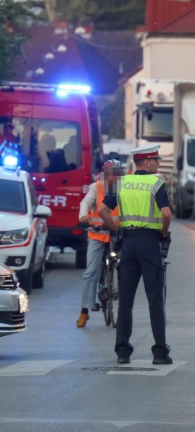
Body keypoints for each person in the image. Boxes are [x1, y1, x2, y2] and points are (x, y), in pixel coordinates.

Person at [97, 143, 172, 365]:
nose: (158, 163)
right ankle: (159, 353)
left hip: (127, 244)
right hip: (150, 244)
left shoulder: (122, 183)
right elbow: (166, 214)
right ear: (146, 162)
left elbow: (102, 211)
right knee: (155, 299)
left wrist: (116, 229)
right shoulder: (157, 183)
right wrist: (164, 234)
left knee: (126, 300)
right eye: (156, 160)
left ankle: (122, 351)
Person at [76, 159, 123, 328]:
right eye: (111, 174)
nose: (114, 177)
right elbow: (85, 203)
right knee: (91, 272)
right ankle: (84, 311)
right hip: (96, 235)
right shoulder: (96, 187)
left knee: (124, 267)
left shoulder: (123, 188)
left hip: (116, 235)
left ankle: (121, 308)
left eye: (117, 174)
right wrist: (83, 216)